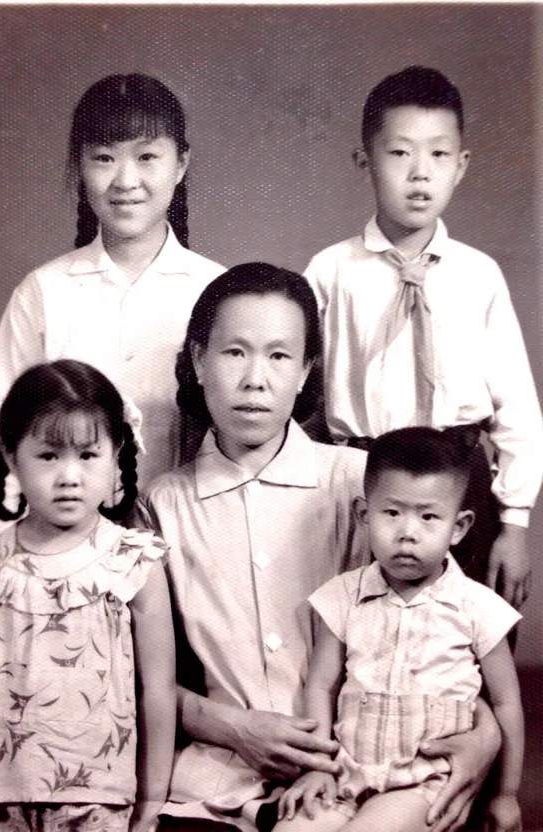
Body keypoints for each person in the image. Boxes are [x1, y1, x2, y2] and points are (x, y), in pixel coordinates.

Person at [142, 264, 501, 832]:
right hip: (218, 781)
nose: (255, 379)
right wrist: (232, 726)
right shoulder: (163, 505)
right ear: (197, 360)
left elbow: (443, 630)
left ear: (307, 369)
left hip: (373, 775)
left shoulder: (365, 484)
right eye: (234, 353)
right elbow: (137, 674)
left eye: (280, 356)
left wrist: (486, 731)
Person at [304, 65, 543, 609]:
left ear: (460, 166)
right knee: (359, 632)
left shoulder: (478, 274)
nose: (419, 174)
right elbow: (303, 390)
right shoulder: (329, 271)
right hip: (362, 480)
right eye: (399, 153)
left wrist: (516, 523)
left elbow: (517, 406)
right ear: (365, 162)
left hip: (461, 480)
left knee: (463, 641)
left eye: (438, 155)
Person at [0, 72, 225, 539]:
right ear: (79, 166)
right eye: (103, 158)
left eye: (147, 157)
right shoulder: (44, 291)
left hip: (191, 547)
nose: (126, 181)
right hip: (64, 553)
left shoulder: (216, 292)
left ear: (182, 163)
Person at [275, 427, 523, 832]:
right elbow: (320, 686)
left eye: (428, 517)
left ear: (458, 527)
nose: (408, 533)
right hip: (346, 773)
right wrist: (316, 768)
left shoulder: (478, 608)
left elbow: (508, 704)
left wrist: (505, 795)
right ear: (364, 515)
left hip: (423, 782)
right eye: (392, 513)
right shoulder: (342, 597)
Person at [0, 360, 175, 832]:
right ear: (11, 455)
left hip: (97, 799)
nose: (69, 476)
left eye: (87, 455)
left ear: (117, 453)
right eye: (48, 456)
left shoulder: (133, 562)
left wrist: (153, 798)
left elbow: (157, 690)